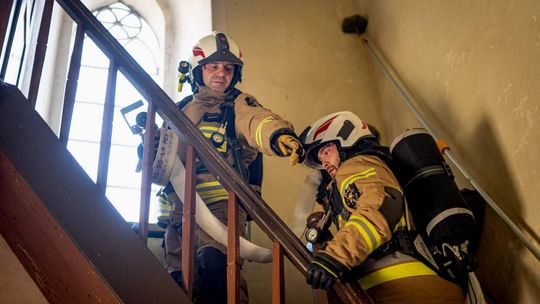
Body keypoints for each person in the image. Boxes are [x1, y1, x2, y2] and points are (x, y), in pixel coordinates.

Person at [164, 31, 304, 303]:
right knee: (180, 283)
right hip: (180, 211)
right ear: (198, 71)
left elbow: (257, 121)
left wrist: (277, 136)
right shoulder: (180, 110)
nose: (221, 74)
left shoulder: (239, 105)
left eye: (228, 68)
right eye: (213, 67)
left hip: (221, 210)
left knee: (218, 273)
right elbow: (165, 155)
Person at [299, 111, 465, 303]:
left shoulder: (357, 164)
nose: (324, 162)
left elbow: (380, 207)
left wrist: (335, 256)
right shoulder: (344, 181)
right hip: (404, 283)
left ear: (345, 139)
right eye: (320, 159)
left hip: (404, 283)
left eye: (326, 152)